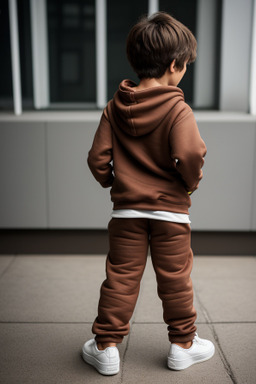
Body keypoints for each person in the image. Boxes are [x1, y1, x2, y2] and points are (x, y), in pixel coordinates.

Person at [81, 11, 215, 376]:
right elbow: (190, 155)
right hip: (171, 214)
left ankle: (106, 347)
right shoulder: (177, 108)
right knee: (175, 280)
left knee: (121, 278)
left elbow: (97, 159)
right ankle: (183, 345)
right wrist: (189, 183)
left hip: (126, 214)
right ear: (174, 65)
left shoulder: (114, 108)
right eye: (186, 65)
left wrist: (114, 183)